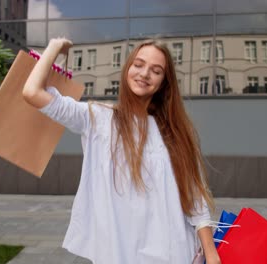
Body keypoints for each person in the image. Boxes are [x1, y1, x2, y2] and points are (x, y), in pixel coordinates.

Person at [23, 37, 221, 264]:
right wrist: (55, 47)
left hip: (174, 252)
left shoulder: (174, 132)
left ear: (164, 83)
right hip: (120, 253)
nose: (145, 73)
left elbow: (194, 195)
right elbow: (32, 92)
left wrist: (211, 252)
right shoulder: (98, 118)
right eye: (138, 65)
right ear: (127, 69)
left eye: (156, 71)